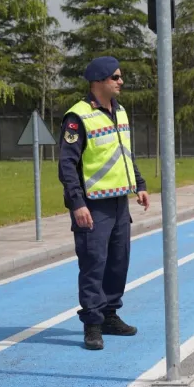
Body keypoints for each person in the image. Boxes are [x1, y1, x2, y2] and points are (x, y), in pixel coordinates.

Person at [58, 56, 150, 351]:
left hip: (119, 203)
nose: (121, 82)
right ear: (99, 81)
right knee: (93, 265)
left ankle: (110, 315)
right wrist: (77, 204)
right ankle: (93, 325)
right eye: (116, 77)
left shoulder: (119, 112)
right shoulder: (77, 116)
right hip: (92, 206)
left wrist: (139, 184)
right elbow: (67, 165)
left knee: (118, 263)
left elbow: (125, 153)